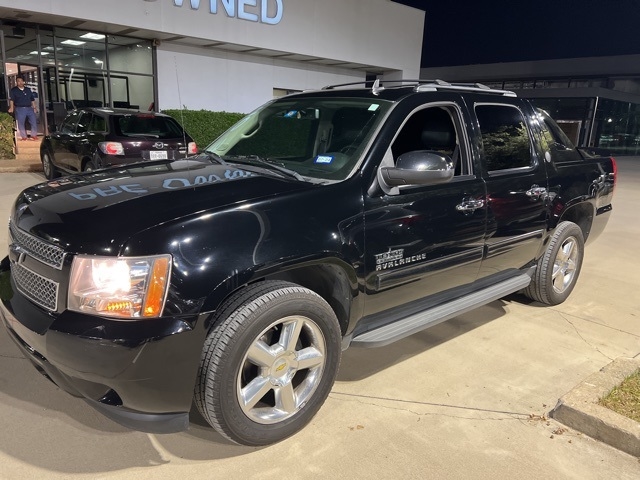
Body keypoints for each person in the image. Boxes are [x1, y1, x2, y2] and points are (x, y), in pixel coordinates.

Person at [8, 76, 39, 141]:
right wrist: (11, 108)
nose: (20, 82)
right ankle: (24, 137)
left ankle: (33, 135)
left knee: (33, 121)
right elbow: (12, 100)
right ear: (17, 82)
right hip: (20, 109)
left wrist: (34, 107)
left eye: (21, 81)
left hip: (29, 108)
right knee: (21, 123)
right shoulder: (14, 90)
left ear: (23, 82)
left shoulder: (28, 89)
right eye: (18, 81)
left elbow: (32, 99)